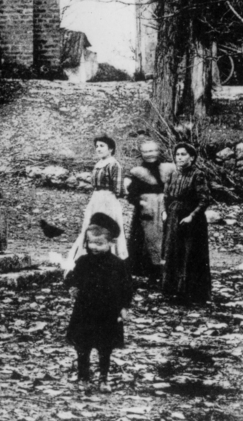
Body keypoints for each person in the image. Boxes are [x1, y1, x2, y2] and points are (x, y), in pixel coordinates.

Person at [64, 212, 133, 392]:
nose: (94, 247)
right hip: (85, 311)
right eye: (91, 242)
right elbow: (72, 278)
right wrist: (72, 286)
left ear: (111, 243)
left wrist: (124, 307)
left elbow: (127, 287)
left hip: (108, 312)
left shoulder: (118, 264)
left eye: (99, 243)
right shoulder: (83, 261)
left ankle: (103, 378)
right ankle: (83, 377)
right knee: (83, 346)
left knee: (105, 347)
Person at [65, 134, 128, 270]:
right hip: (96, 197)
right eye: (97, 146)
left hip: (108, 199)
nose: (98, 149)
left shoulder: (114, 164)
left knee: (106, 227)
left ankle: (111, 259)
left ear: (110, 149)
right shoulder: (99, 163)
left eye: (102, 146)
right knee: (91, 225)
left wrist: (110, 196)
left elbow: (119, 189)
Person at [161, 142, 212, 304]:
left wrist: (192, 216)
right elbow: (166, 196)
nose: (180, 158)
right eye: (177, 155)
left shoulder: (198, 175)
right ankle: (173, 289)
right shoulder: (172, 174)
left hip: (191, 221)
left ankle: (192, 292)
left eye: (183, 154)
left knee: (189, 254)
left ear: (192, 158)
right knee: (173, 252)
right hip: (173, 218)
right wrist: (164, 211)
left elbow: (204, 200)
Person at [125, 137, 174, 280]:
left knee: (166, 236)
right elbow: (131, 194)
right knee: (145, 238)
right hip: (146, 209)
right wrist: (141, 203)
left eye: (152, 150)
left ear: (158, 151)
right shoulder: (137, 171)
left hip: (165, 207)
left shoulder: (168, 169)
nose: (149, 154)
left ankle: (165, 268)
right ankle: (146, 270)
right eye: (145, 151)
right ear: (141, 153)